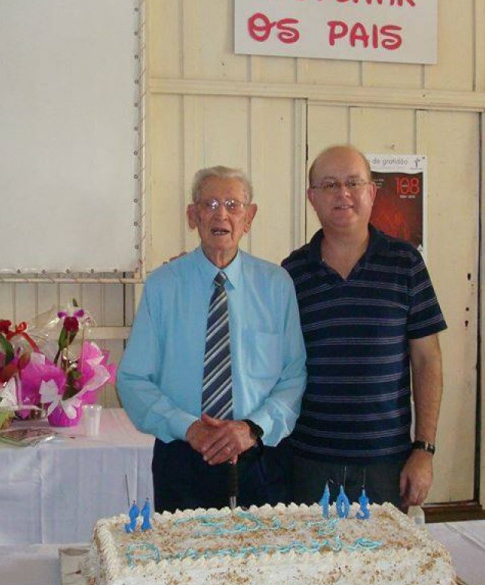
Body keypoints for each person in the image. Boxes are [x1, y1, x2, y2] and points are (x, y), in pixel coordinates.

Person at [117, 166, 306, 512]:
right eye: (211, 204)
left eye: (233, 205)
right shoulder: (163, 286)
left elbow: (294, 376)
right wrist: (188, 427)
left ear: (249, 217)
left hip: (260, 455)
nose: (222, 214)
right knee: (182, 562)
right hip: (184, 456)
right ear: (193, 216)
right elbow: (132, 378)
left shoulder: (276, 285)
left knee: (264, 562)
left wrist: (250, 429)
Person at [282, 145, 446, 508]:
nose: (343, 193)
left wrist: (425, 449)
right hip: (308, 460)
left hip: (387, 463)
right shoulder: (291, 273)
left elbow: (427, 361)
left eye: (353, 183)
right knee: (314, 563)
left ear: (372, 193)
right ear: (312, 198)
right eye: (329, 185)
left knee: (384, 564)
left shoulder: (406, 264)